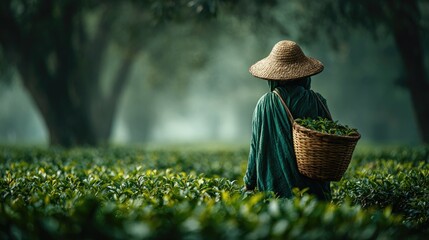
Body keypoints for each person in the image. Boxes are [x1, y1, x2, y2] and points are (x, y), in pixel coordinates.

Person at [243, 40, 332, 201]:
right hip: (313, 195)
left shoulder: (264, 104)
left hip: (274, 193)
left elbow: (255, 148)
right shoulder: (317, 101)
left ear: (273, 78)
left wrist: (249, 183)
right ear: (305, 76)